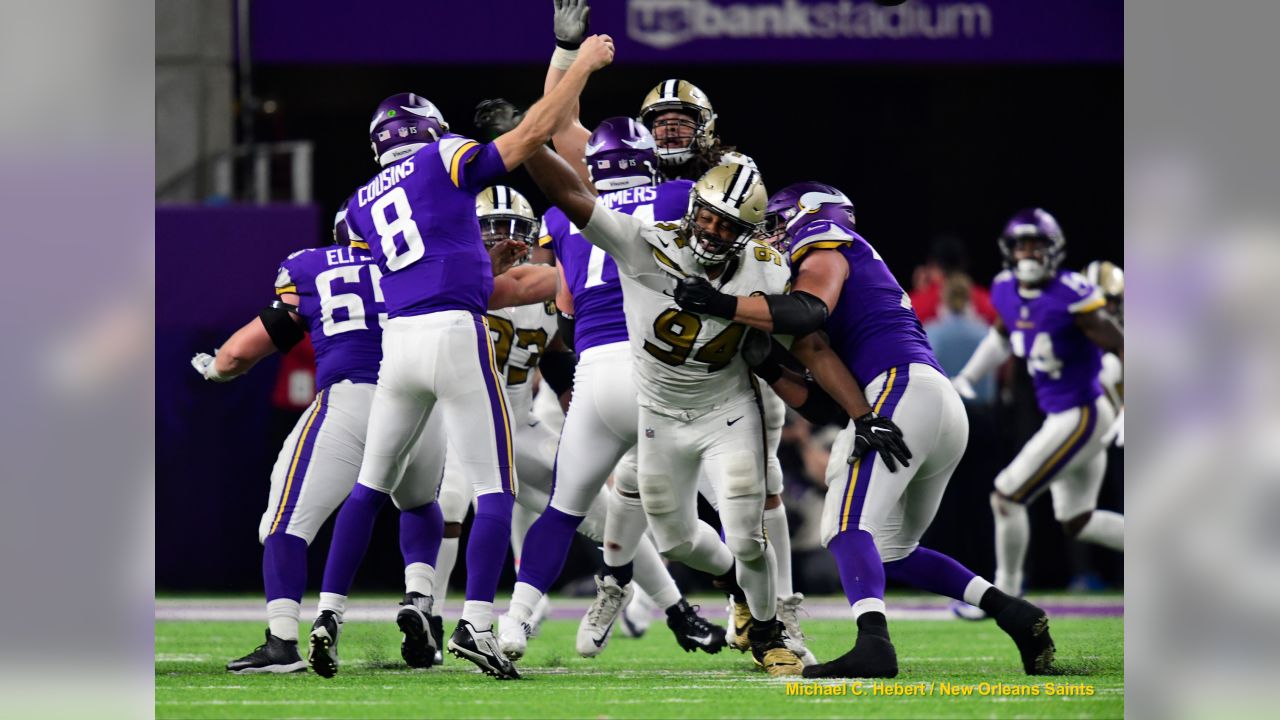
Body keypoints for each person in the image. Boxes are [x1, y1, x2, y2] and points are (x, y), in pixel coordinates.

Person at [309, 33, 615, 682]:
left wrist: (484, 264)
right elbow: (529, 136)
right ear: (430, 130)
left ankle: (327, 614)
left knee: (370, 485)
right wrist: (580, 67)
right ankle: (476, 625)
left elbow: (429, 254)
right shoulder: (442, 155)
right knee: (494, 488)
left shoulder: (362, 201)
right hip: (454, 333)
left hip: (400, 344)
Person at [673, 183, 1058, 678]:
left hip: (899, 393)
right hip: (926, 403)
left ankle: (874, 647)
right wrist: (770, 365)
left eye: (776, 222)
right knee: (888, 552)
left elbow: (810, 309)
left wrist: (719, 304)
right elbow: (822, 402)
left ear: (802, 216)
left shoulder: (824, 239)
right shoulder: (840, 270)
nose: (768, 234)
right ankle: (1013, 612)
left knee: (844, 529)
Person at [503, 134, 805, 676]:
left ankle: (769, 630)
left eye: (728, 226)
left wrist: (736, 312)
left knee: (746, 527)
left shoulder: (767, 263)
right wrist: (526, 144)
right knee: (676, 537)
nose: (713, 233)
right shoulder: (649, 239)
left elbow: (805, 317)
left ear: (749, 232)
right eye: (707, 219)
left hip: (725, 408)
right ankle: (662, 585)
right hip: (659, 412)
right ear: (689, 205)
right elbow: (574, 201)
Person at [192, 204, 446, 675]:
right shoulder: (419, 261)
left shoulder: (310, 267)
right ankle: (421, 596)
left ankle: (282, 640)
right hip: (422, 402)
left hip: (353, 399)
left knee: (284, 522)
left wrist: (215, 369)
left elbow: (237, 353)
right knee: (417, 502)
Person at [950, 211, 1126, 619]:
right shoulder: (1005, 289)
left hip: (1081, 414)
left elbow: (1123, 345)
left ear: (1054, 250)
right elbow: (1001, 335)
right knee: (1077, 520)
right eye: (1022, 245)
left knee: (1006, 496)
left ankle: (1005, 597)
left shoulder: (1073, 295)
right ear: (1009, 251)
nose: (1029, 253)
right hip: (1062, 415)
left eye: (1037, 245)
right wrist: (970, 375)